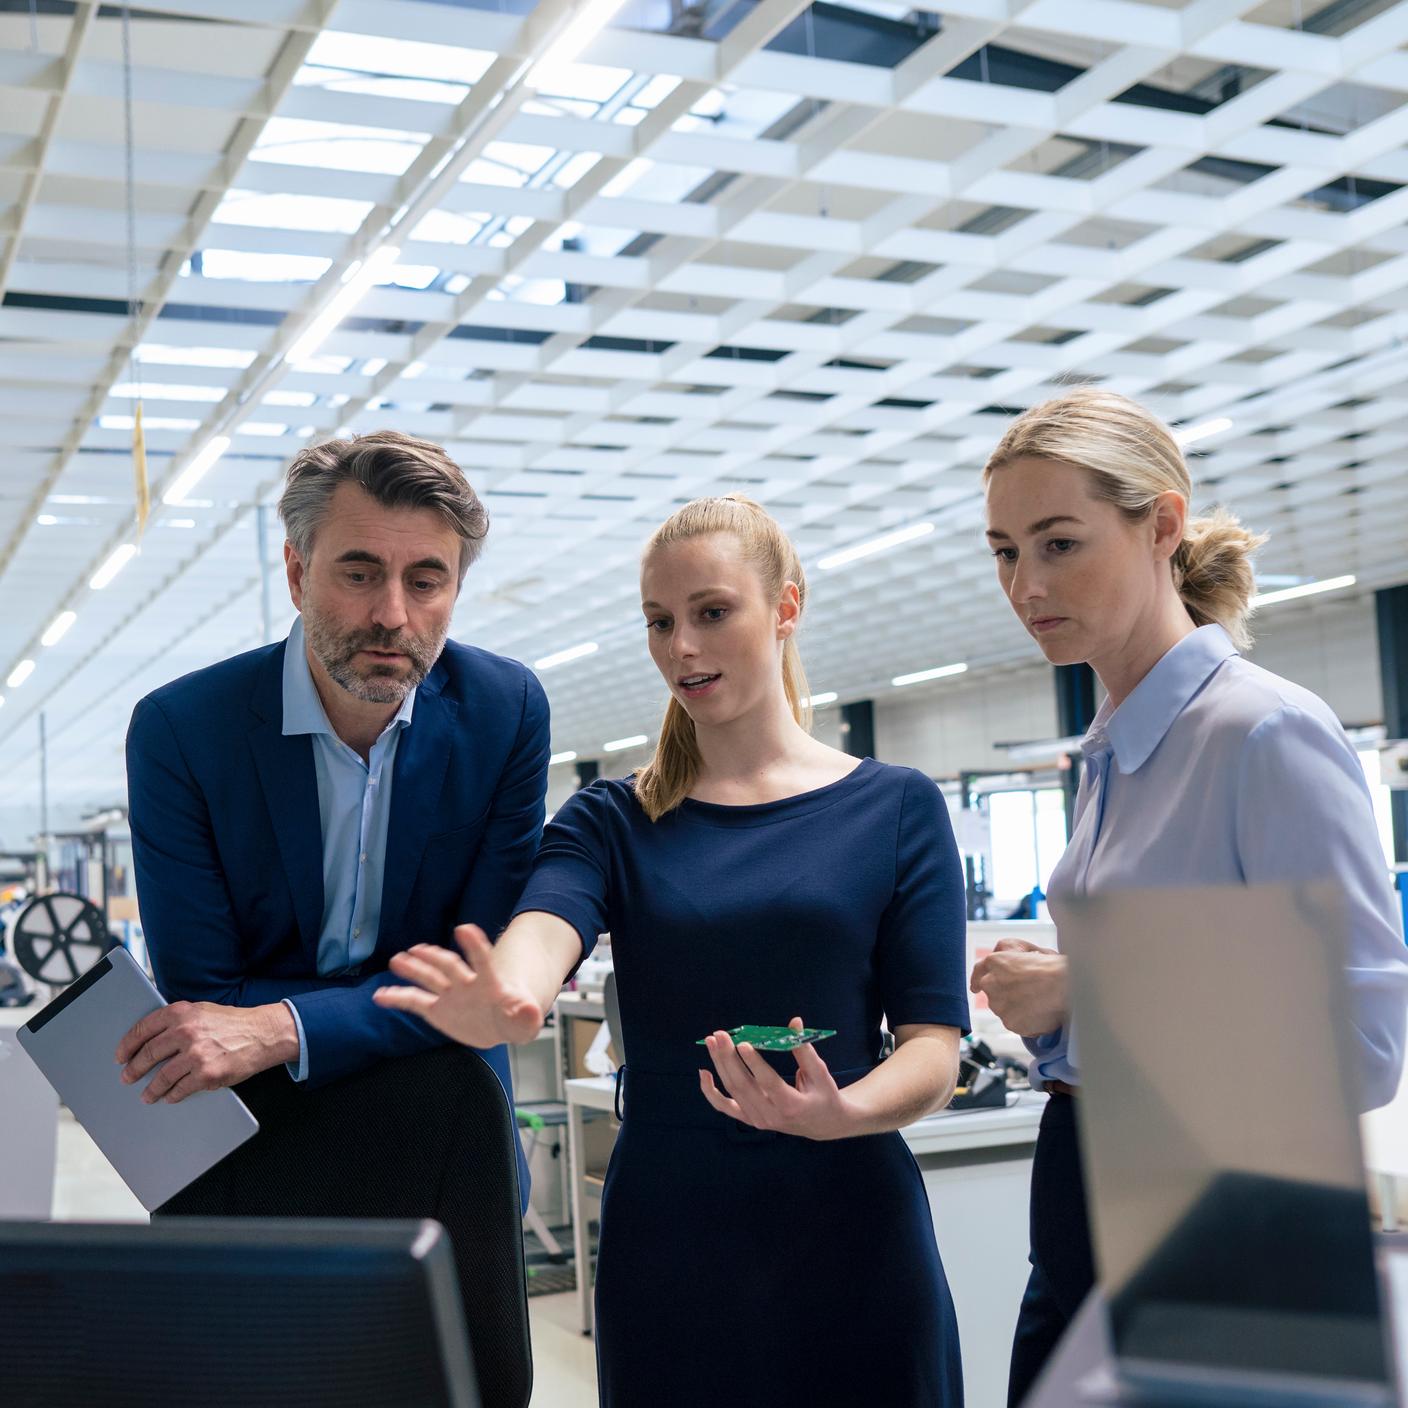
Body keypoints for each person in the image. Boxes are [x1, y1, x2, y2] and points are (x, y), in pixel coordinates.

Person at [376, 495, 971, 1406]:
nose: (681, 646)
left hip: (851, 1218)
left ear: (785, 607)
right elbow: (549, 920)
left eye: (711, 612)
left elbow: (933, 1046)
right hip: (677, 1230)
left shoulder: (894, 807)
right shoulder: (616, 819)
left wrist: (839, 1113)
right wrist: (513, 992)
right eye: (660, 622)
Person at [970, 386, 1408, 1405]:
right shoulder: (1112, 750)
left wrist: (1090, 985)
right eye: (1003, 551)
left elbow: (1369, 1040)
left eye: (1058, 542)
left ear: (1161, 525)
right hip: (1084, 1177)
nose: (1025, 582)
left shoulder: (1260, 732)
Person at [117, 431, 549, 1202]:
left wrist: (285, 1025)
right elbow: (204, 989)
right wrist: (404, 1007)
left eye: (426, 580)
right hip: (250, 1136)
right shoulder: (183, 732)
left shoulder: (504, 712)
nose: (393, 615)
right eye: (359, 573)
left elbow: (476, 981)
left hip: (445, 1132)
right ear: (296, 572)